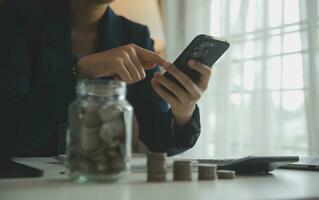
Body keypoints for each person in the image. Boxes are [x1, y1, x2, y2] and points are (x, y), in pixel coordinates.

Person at [0, 0, 212, 158]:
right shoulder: (16, 17)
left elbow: (158, 140)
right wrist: (80, 69)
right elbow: (7, 129)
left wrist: (183, 112)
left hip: (103, 179)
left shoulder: (135, 34)